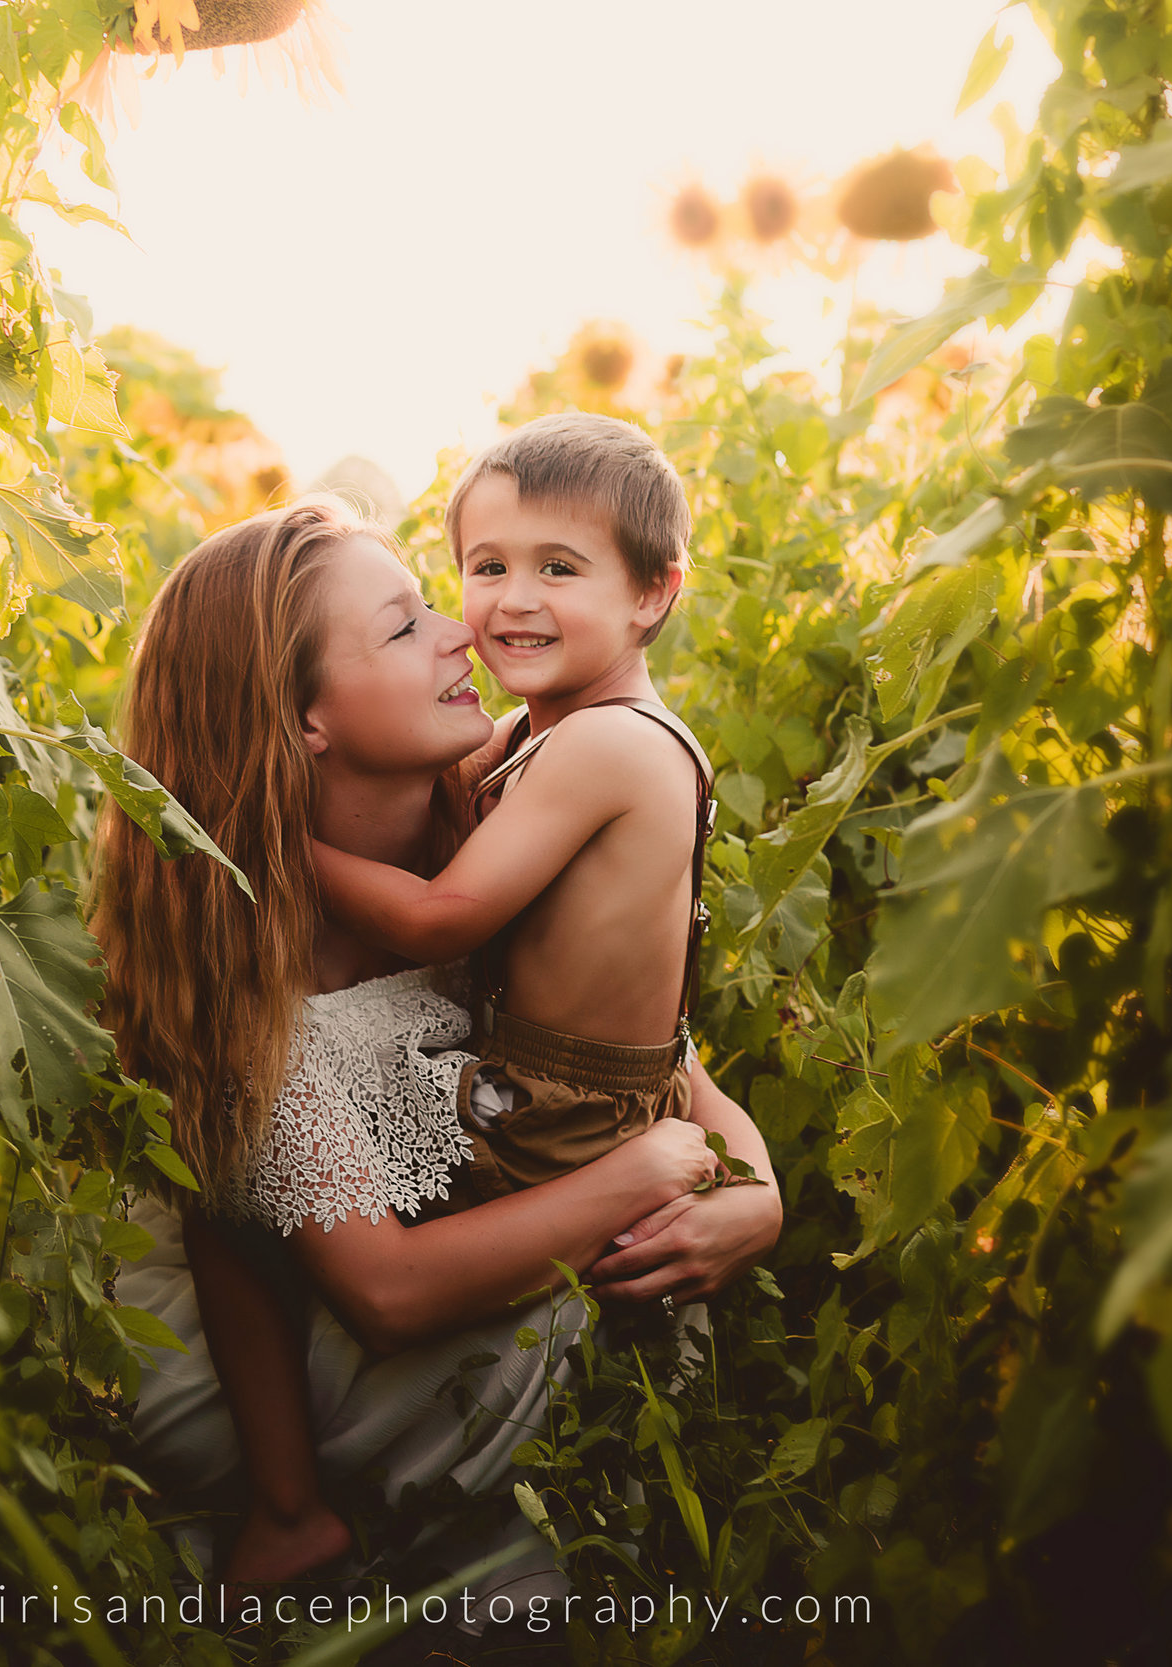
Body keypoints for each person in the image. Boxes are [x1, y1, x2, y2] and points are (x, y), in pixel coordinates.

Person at [90, 495, 782, 1587]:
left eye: (429, 605)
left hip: (459, 1229)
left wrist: (755, 1185)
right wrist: (644, 1167)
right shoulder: (251, 985)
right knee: (552, 1321)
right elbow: (388, 1293)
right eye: (404, 627)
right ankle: (294, 1513)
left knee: (582, 1303)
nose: (463, 630)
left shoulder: (485, 820)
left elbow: (652, 1049)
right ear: (304, 717)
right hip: (322, 1319)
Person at [314, 412, 733, 1204]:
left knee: (262, 1134)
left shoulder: (610, 744)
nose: (514, 599)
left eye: (559, 569)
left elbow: (439, 916)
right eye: (490, 565)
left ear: (652, 591)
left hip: (562, 1117)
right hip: (533, 1090)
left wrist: (275, 845)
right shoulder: (529, 731)